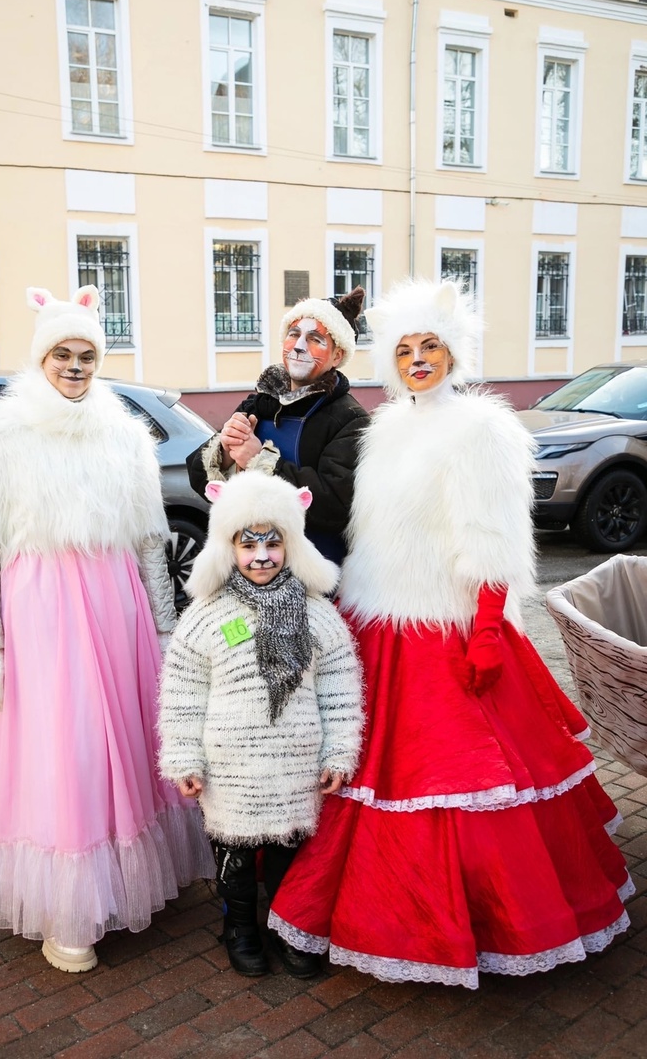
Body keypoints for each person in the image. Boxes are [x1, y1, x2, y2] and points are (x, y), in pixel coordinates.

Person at [269, 278, 634, 989]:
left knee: (458, 778)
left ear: (453, 352)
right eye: (405, 349)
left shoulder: (481, 428)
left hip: (449, 629)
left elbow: (492, 537)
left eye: (430, 345)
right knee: (360, 770)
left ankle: (487, 922)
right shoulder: (382, 429)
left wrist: (488, 627)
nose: (417, 359)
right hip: (377, 622)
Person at [0, 285, 214, 973]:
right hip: (41, 617)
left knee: (122, 741)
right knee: (65, 752)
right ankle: (69, 908)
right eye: (62, 354)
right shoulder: (2, 437)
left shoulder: (125, 435)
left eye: (86, 355)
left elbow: (150, 540)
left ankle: (130, 874)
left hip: (117, 611)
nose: (74, 366)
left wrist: (163, 627)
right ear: (42, 359)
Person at [158, 470, 363, 978]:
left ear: (292, 545)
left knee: (288, 858)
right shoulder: (206, 615)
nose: (262, 556)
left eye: (273, 543)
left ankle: (286, 926)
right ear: (228, 548)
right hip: (230, 769)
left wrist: (339, 751)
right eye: (248, 545)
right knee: (235, 857)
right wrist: (184, 757)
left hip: (296, 766)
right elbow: (183, 693)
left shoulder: (318, 614)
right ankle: (239, 927)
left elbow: (340, 689)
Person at [186, 287, 371, 564]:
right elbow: (198, 477)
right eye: (293, 334)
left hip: (311, 570)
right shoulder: (259, 402)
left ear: (337, 356)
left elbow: (334, 506)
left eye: (315, 339)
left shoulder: (350, 420)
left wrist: (259, 460)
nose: (299, 346)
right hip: (249, 566)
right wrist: (225, 451)